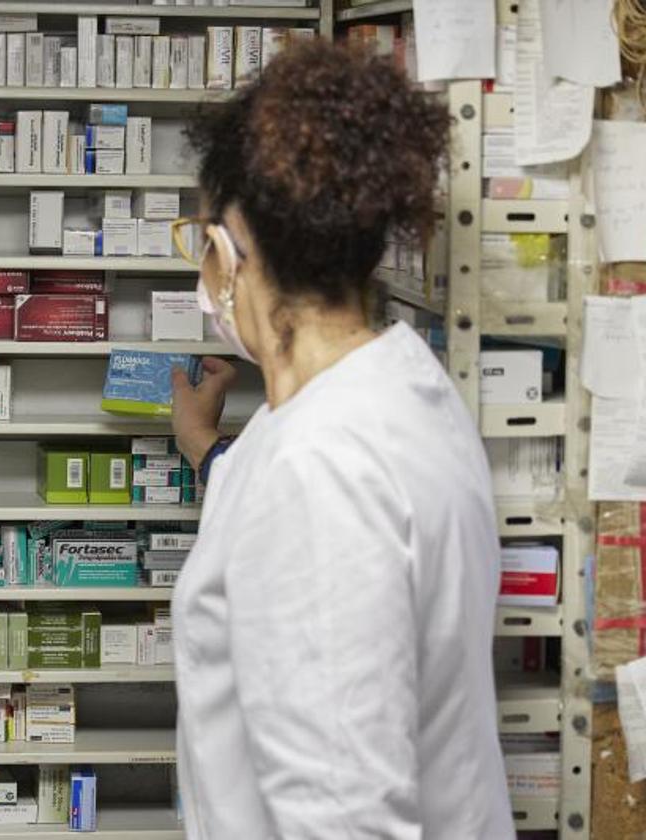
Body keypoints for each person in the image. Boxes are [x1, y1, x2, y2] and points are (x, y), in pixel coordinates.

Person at [167, 40, 515, 839]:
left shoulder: (320, 467)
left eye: (202, 241)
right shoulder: (406, 394)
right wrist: (205, 452)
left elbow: (342, 819)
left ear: (227, 254)